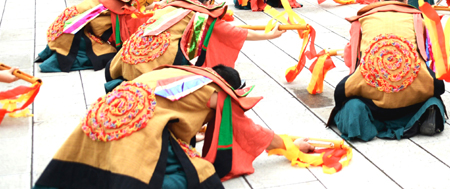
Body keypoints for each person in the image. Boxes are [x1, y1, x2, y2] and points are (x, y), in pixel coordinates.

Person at [34, 65, 316, 189]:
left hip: (105, 113)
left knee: (95, 160)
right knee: (198, 173)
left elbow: (168, 107)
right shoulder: (216, 93)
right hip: (138, 125)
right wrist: (290, 146)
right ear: (228, 88)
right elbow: (249, 131)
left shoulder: (182, 72)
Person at [327, 0, 446, 140]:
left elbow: (351, 59)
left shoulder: (362, 20)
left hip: (371, 97)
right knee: (434, 92)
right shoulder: (419, 20)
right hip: (411, 96)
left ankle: (360, 121)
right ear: (406, 0)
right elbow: (427, 55)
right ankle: (425, 115)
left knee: (349, 100)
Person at [106, 0, 285, 85]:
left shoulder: (174, 4)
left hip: (125, 57)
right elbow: (236, 33)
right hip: (147, 66)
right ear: (207, 3)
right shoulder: (202, 15)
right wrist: (270, 35)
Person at [37, 0, 156, 72]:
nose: (145, 6)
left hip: (64, 24)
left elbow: (135, 8)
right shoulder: (118, 5)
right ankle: (54, 61)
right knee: (107, 56)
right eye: (146, 3)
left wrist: (154, 7)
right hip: (73, 31)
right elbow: (106, 29)